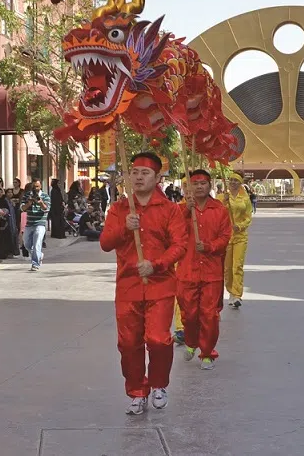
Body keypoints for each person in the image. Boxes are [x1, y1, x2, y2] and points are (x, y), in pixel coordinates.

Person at [99, 152, 187, 415]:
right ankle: (137, 391)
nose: (138, 177)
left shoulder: (170, 210)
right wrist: (124, 228)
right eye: (134, 172)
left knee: (158, 340)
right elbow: (105, 243)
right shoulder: (119, 209)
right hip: (128, 287)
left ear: (158, 178)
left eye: (145, 173)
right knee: (128, 343)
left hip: (160, 285)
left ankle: (159, 384)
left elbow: (179, 245)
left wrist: (156, 264)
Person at [176, 170, 232, 370]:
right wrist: (186, 211)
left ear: (210, 186)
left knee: (209, 315)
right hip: (187, 270)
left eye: (203, 183)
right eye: (195, 183)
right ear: (189, 187)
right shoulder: (180, 209)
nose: (199, 186)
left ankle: (207, 352)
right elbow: (172, 234)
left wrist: (209, 247)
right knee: (189, 314)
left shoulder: (219, 210)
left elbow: (225, 237)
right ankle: (191, 342)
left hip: (211, 272)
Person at [221, 172, 253, 308]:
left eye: (236, 181)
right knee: (227, 268)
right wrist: (224, 202)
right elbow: (217, 213)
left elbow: (248, 217)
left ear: (240, 183)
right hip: (226, 237)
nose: (233, 182)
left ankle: (237, 294)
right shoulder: (223, 197)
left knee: (237, 266)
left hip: (240, 236)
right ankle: (230, 291)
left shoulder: (245, 198)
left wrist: (239, 226)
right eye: (232, 180)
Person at [22, 180, 50, 271]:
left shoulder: (45, 196)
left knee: (37, 244)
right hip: (29, 223)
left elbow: (47, 209)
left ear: (40, 186)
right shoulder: (27, 196)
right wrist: (29, 203)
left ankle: (35, 264)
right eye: (34, 187)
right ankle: (39, 255)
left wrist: (41, 203)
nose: (35, 189)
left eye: (37, 186)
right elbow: (22, 208)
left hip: (40, 223)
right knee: (26, 244)